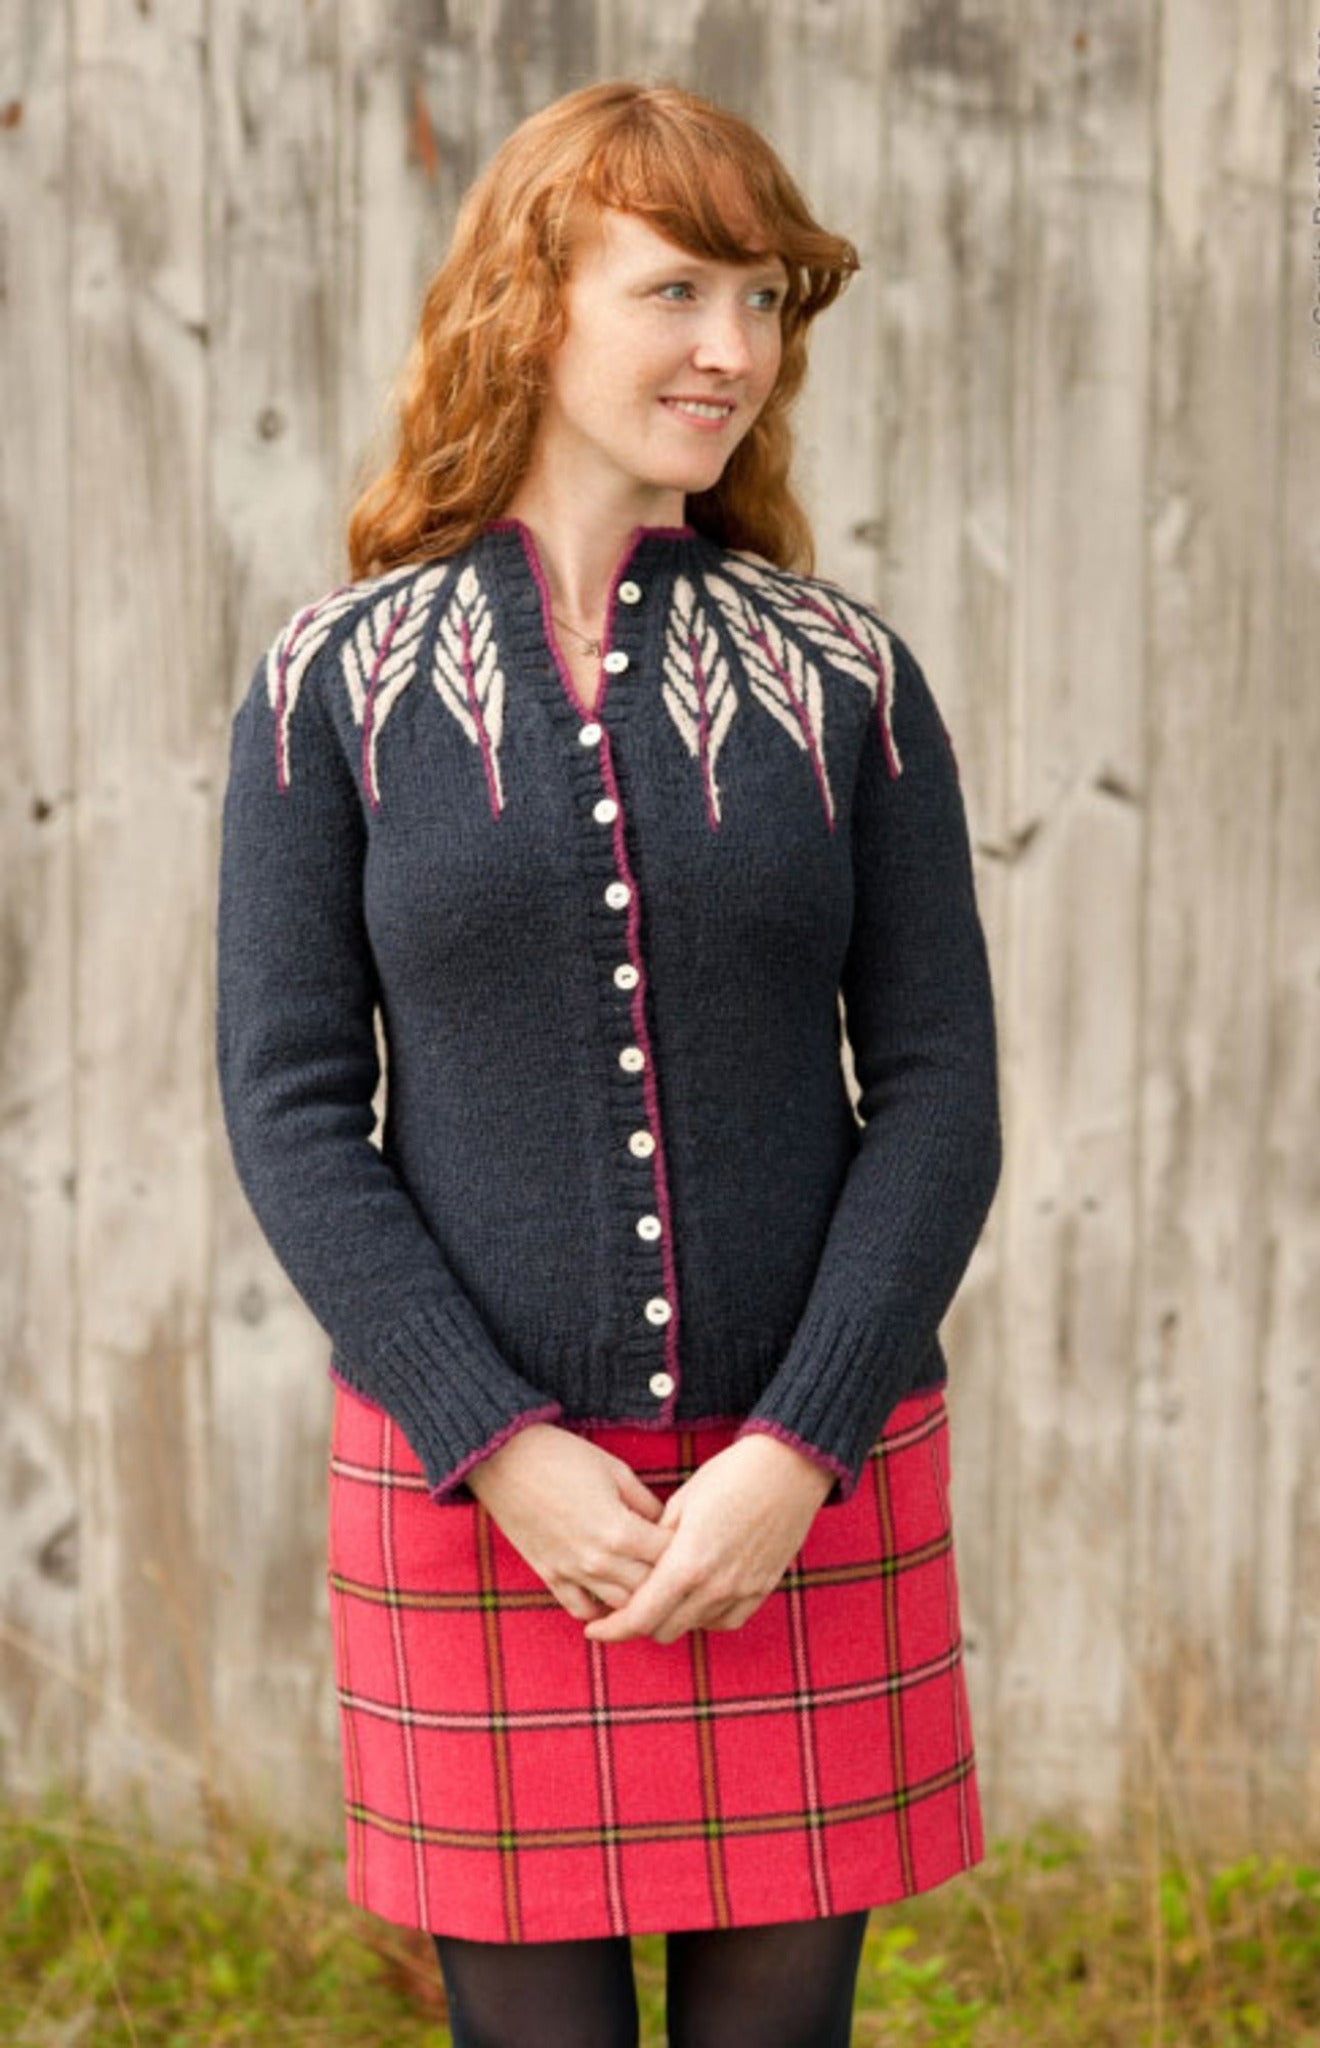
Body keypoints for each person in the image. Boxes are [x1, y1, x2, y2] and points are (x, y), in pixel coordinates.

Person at [215, 76, 1003, 2048]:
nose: (730, 348)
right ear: (531, 302)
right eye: (675, 290)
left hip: (794, 1500)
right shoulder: (337, 685)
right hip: (485, 1503)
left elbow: (933, 1086)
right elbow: (295, 1100)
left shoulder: (843, 678)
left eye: (761, 298)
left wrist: (794, 1448)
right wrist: (494, 1437)